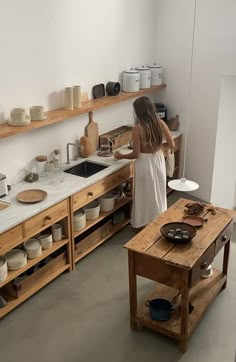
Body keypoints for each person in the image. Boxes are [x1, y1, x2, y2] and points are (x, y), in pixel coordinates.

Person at [114, 96, 175, 230]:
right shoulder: (161, 123)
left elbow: (135, 154)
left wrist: (120, 156)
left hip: (144, 163)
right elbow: (172, 144)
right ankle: (159, 221)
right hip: (158, 161)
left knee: (143, 193)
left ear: (139, 112)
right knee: (158, 191)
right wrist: (161, 148)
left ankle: (142, 223)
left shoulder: (137, 129)